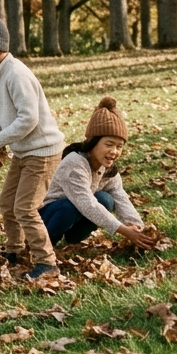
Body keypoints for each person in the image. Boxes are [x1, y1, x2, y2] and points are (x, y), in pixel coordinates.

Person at [0, 15, 66, 281]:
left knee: (25, 208)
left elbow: (28, 118)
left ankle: (47, 263)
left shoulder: (16, 74)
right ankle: (15, 250)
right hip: (23, 151)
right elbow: (5, 117)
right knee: (7, 203)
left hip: (42, 152)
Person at [40, 97, 151, 249]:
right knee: (69, 207)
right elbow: (86, 204)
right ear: (93, 142)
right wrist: (124, 231)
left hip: (75, 213)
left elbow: (120, 197)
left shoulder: (107, 167)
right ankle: (45, 245)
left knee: (106, 199)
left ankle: (73, 239)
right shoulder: (74, 163)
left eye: (119, 146)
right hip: (50, 214)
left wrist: (137, 227)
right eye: (109, 144)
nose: (114, 151)